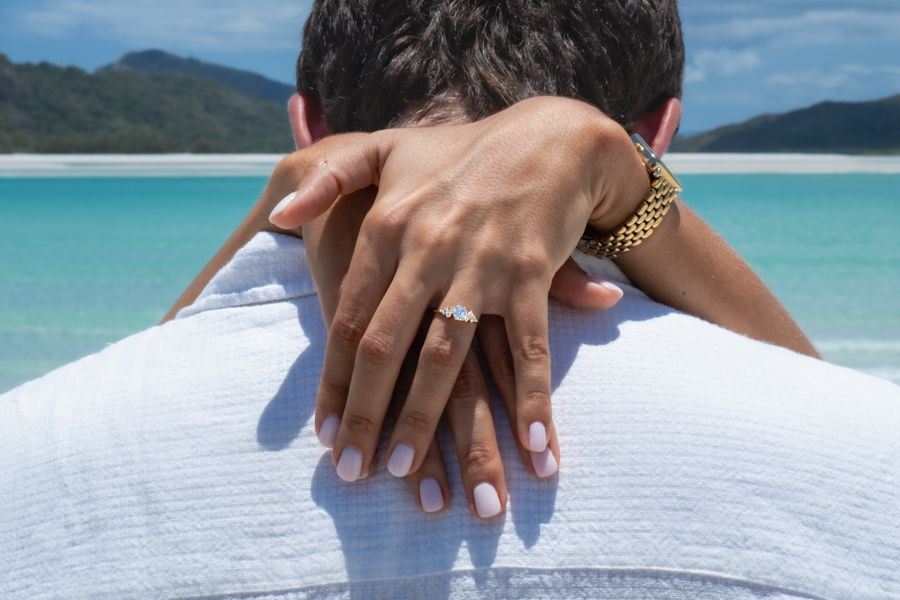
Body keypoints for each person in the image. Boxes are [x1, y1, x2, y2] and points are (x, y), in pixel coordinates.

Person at [2, 2, 899, 600]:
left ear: (305, 124)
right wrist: (629, 192)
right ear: (663, 129)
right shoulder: (865, 451)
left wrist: (286, 210)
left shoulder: (28, 452)